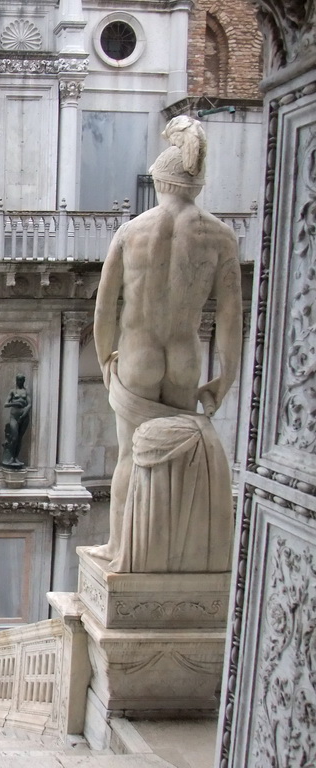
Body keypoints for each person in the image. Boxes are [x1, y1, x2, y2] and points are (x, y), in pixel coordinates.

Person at [87, 116, 242, 572]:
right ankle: (165, 559)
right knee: (174, 461)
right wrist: (225, 379)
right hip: (185, 360)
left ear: (159, 181)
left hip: (137, 356)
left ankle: (119, 549)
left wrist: (105, 362)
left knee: (130, 460)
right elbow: (231, 318)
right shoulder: (220, 237)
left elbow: (104, 311)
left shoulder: (132, 232)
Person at [0, 374, 31, 469]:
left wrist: (25, 413)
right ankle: (11, 457)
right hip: (14, 415)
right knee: (14, 437)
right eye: (19, 380)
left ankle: (16, 457)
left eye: (22, 380)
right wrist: (16, 402)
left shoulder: (26, 391)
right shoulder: (13, 391)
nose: (20, 382)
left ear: (23, 381)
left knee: (20, 438)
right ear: (16, 381)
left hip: (24, 416)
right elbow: (6, 404)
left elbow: (29, 404)